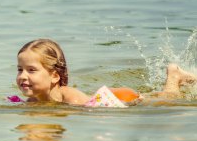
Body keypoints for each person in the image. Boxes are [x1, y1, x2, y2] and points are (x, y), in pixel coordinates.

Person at [14, 38, 197, 106]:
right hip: (109, 96)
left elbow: (94, 111)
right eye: (20, 69)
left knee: (167, 99)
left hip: (123, 96)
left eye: (31, 70)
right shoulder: (32, 100)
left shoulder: (70, 96)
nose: (23, 76)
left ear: (55, 75)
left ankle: (173, 75)